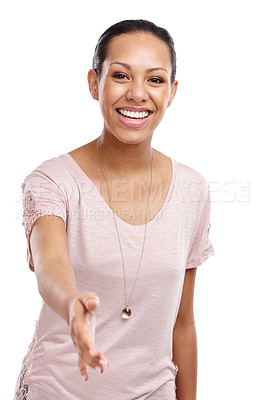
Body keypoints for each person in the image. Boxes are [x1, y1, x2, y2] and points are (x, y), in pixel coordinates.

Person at [14, 19, 214, 400]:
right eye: (121, 75)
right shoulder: (53, 180)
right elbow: (50, 263)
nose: (138, 94)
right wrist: (72, 305)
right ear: (94, 83)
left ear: (171, 92)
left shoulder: (192, 189)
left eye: (155, 80)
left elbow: (183, 323)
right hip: (58, 390)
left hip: (153, 391)